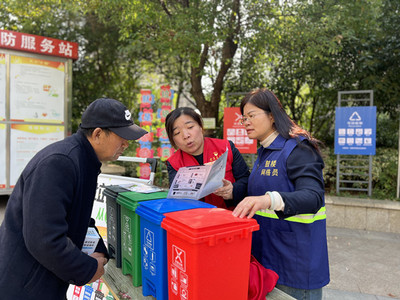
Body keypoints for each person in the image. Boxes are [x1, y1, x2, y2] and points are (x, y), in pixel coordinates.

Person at [0, 98, 147, 300]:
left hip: (47, 279)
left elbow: (79, 218)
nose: (126, 144)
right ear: (97, 134)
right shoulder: (59, 163)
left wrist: (99, 252)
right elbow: (44, 240)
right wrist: (86, 269)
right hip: (25, 284)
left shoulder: (85, 161)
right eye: (122, 136)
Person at [232, 88, 329, 300]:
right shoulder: (264, 153)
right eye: (243, 118)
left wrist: (268, 199)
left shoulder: (299, 149)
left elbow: (313, 197)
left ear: (272, 115)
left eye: (251, 115)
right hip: (267, 260)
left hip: (295, 265)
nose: (246, 122)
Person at [165, 107, 250, 209]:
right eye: (177, 133)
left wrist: (233, 190)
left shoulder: (226, 148)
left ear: (200, 127)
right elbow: (177, 199)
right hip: (195, 221)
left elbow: (246, 179)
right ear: (173, 140)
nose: (185, 135)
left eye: (190, 127)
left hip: (232, 217)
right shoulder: (174, 163)